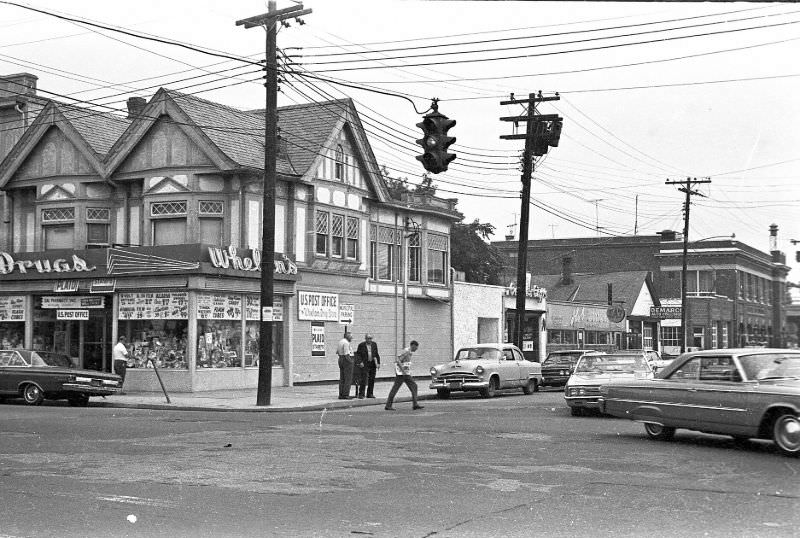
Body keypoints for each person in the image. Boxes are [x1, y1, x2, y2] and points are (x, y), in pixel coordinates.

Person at [385, 340, 424, 411]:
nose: (416, 349)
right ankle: (388, 405)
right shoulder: (406, 351)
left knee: (414, 386)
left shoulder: (409, 352)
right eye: (416, 347)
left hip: (405, 374)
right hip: (401, 374)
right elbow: (398, 360)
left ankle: (415, 404)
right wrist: (403, 370)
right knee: (395, 388)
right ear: (413, 345)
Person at [355, 333, 381, 399]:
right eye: (368, 338)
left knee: (372, 379)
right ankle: (361, 394)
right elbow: (358, 355)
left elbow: (376, 354)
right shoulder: (361, 345)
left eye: (371, 338)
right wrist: (360, 362)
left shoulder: (374, 344)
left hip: (372, 363)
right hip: (365, 363)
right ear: (365, 339)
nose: (370, 340)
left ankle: (370, 393)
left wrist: (378, 363)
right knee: (364, 379)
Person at [337, 332, 354, 399]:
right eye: (351, 337)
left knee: (342, 378)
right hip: (346, 360)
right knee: (348, 378)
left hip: (340, 359)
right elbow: (347, 354)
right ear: (347, 336)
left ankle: (341, 394)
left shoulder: (340, 341)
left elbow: (337, 352)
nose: (352, 338)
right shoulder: (346, 343)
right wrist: (351, 361)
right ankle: (346, 394)